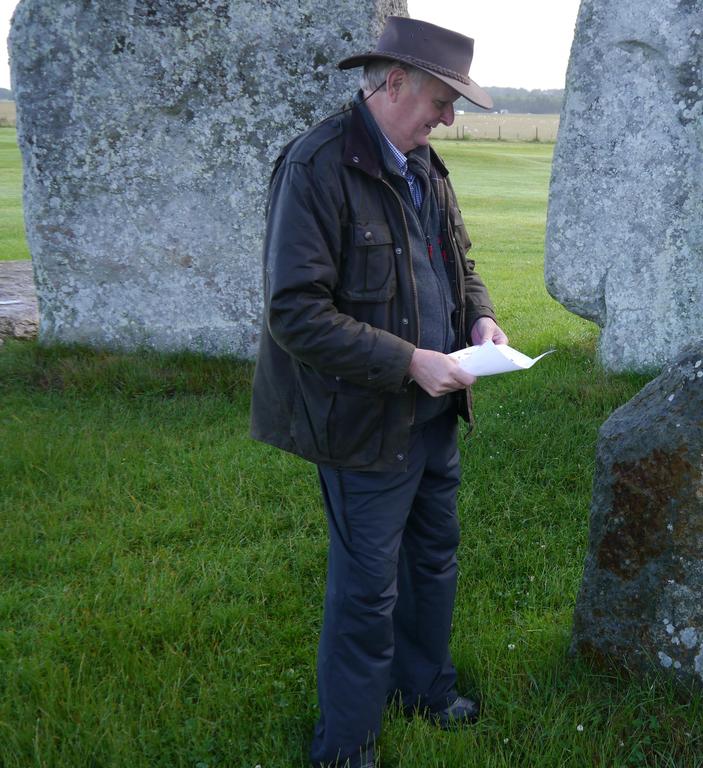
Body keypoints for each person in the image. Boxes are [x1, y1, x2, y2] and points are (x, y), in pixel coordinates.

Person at [249, 17, 507, 768]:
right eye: (441, 99)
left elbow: (460, 261)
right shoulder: (316, 166)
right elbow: (295, 313)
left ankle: (424, 689)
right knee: (366, 593)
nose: (449, 118)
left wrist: (482, 316)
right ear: (393, 82)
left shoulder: (423, 164)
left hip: (434, 414)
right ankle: (346, 748)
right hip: (363, 424)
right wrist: (409, 363)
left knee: (433, 562)